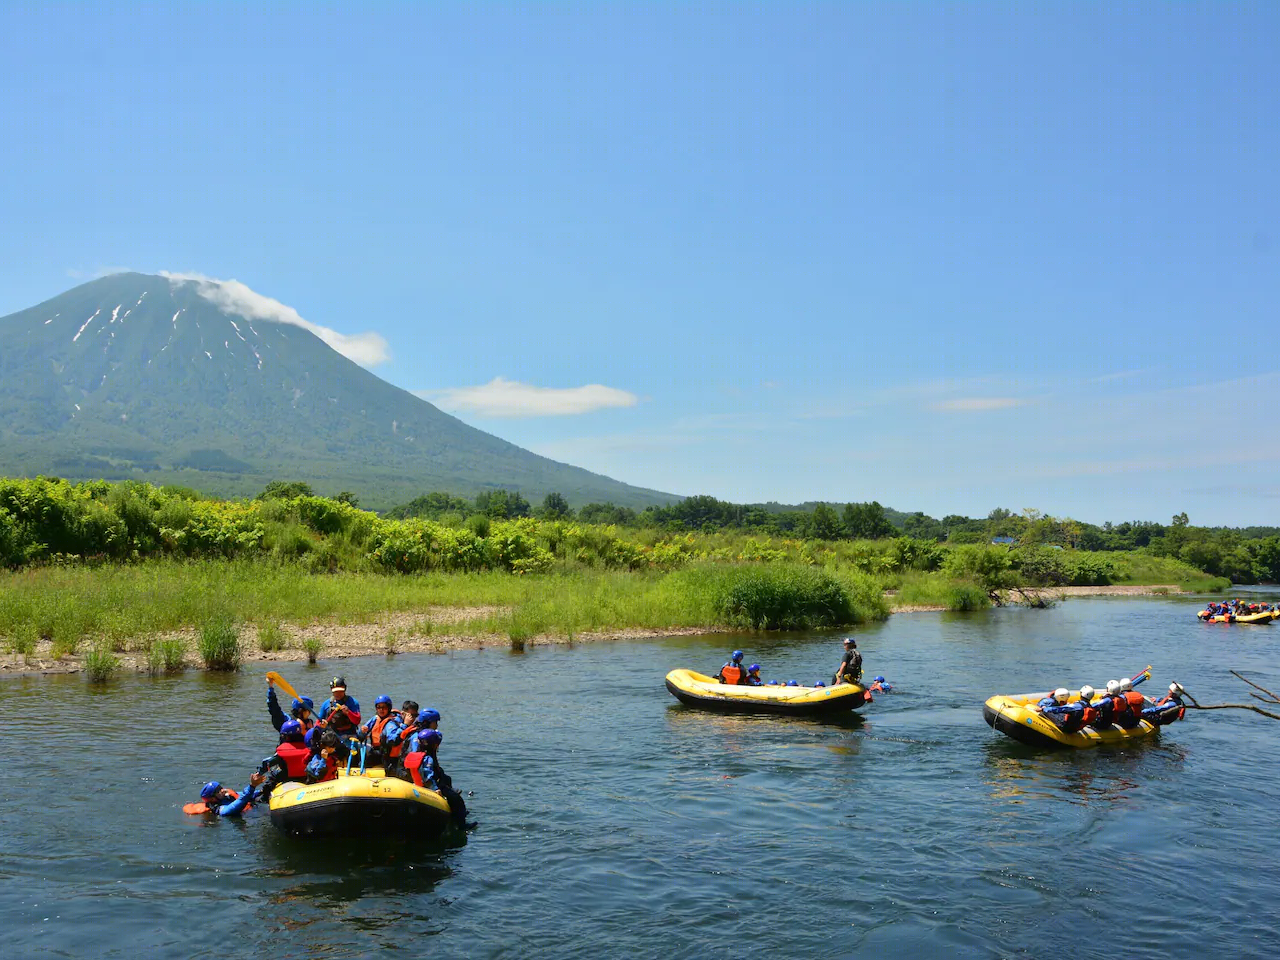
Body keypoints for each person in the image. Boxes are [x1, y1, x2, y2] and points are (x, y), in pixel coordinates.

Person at [185, 772, 265, 818]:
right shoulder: (222, 810)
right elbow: (241, 801)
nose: (223, 790)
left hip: (254, 808)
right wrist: (252, 786)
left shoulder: (227, 796)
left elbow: (244, 795)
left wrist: (262, 790)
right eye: (218, 790)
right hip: (250, 817)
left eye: (220, 787)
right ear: (213, 798)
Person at [317, 677, 362, 748]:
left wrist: (348, 712)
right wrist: (322, 725)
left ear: (345, 689)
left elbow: (357, 721)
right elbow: (317, 723)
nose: (338, 694)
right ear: (331, 690)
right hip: (332, 735)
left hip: (349, 735)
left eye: (341, 691)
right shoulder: (326, 704)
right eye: (336, 691)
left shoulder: (353, 702)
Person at [359, 694, 402, 766]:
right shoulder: (375, 719)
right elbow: (360, 736)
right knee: (361, 758)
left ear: (389, 708)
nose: (381, 710)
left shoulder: (393, 721)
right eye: (378, 707)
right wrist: (362, 732)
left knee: (366, 760)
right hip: (376, 750)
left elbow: (393, 739)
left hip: (387, 753)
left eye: (384, 707)